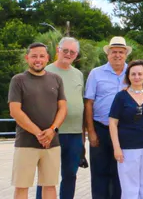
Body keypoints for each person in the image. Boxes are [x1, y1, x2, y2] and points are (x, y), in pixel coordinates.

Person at [9, 42, 67, 199]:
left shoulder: (56, 79)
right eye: (34, 56)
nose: (38, 59)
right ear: (27, 58)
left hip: (52, 143)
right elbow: (15, 111)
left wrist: (52, 130)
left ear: (47, 58)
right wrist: (39, 134)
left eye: (42, 56)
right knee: (22, 186)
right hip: (26, 143)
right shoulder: (18, 80)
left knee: (50, 185)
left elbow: (63, 108)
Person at [35, 37, 85, 199]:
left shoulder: (78, 74)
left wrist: (84, 136)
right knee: (47, 177)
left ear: (76, 55)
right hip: (51, 133)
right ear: (58, 50)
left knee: (70, 175)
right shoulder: (45, 71)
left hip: (75, 133)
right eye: (65, 50)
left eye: (72, 52)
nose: (68, 54)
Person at [109, 60, 143, 199]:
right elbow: (113, 122)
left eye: (140, 73)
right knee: (129, 189)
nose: (137, 77)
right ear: (128, 76)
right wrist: (116, 147)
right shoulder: (121, 97)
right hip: (128, 149)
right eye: (133, 74)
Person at [85, 36, 130, 199]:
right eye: (114, 52)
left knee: (121, 172)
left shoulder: (133, 73)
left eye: (120, 52)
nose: (117, 55)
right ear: (108, 54)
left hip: (124, 131)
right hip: (101, 128)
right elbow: (89, 103)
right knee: (99, 172)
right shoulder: (96, 73)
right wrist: (91, 131)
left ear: (126, 54)